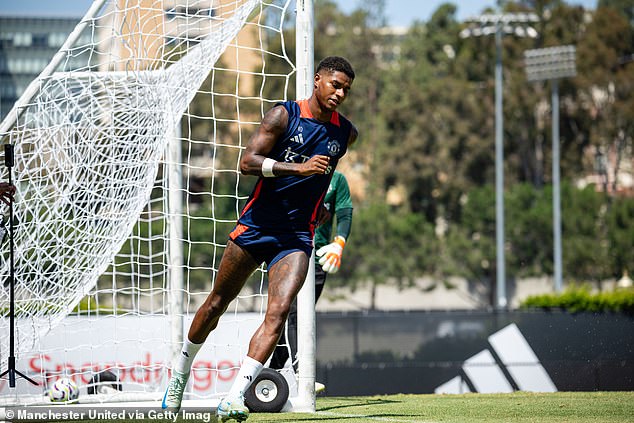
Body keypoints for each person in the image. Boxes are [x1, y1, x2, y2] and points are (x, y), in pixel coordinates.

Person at [162, 56, 357, 422]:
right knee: (217, 302)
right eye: (335, 84)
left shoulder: (344, 133)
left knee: (279, 312)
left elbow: (325, 188)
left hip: (296, 236)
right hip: (255, 227)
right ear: (318, 80)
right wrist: (297, 167)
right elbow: (248, 162)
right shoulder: (283, 116)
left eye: (346, 88)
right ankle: (180, 377)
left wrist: (321, 216)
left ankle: (233, 398)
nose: (340, 93)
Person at [268, 170, 353, 390]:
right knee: (294, 314)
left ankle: (267, 377)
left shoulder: (337, 180)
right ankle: (301, 374)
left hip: (318, 260)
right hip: (289, 255)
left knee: (295, 317)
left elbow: (344, 213)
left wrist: (339, 242)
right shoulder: (296, 172)